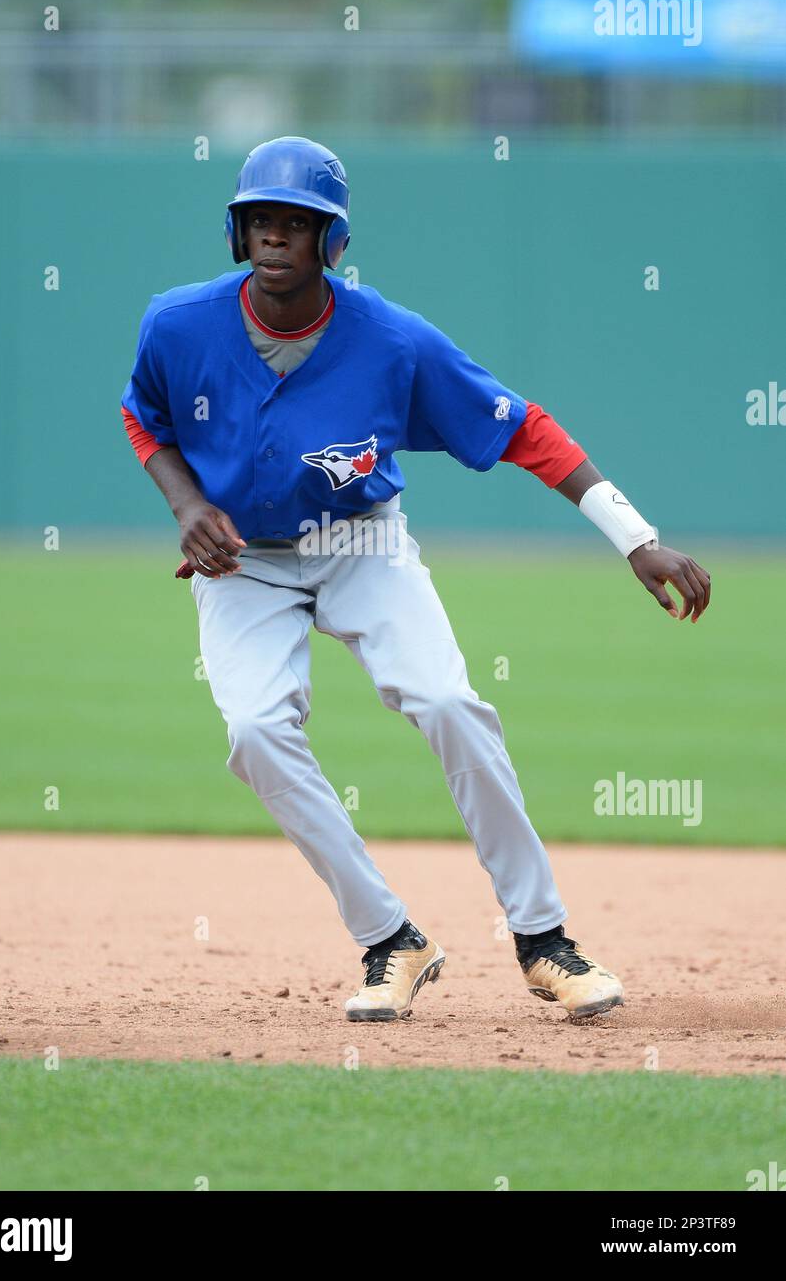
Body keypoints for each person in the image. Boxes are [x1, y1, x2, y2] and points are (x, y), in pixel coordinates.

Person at [122, 137, 711, 1024]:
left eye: (298, 222)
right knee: (252, 730)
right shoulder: (177, 323)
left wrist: (636, 539)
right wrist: (183, 504)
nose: (276, 237)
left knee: (444, 702)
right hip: (243, 559)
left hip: (363, 544)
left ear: (332, 241)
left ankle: (543, 939)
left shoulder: (390, 339)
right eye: (261, 221)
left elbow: (524, 430)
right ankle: (389, 939)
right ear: (237, 234)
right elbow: (143, 416)